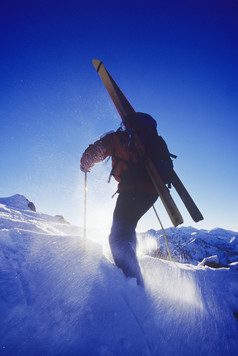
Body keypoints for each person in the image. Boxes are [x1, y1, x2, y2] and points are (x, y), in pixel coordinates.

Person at [80, 113, 163, 287]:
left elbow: (97, 150)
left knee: (118, 236)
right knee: (127, 227)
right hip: (152, 192)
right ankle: (130, 259)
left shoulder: (118, 139)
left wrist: (85, 163)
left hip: (131, 191)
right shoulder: (149, 140)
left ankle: (133, 283)